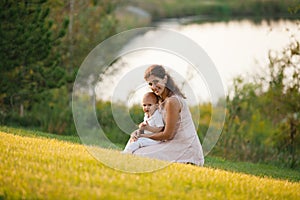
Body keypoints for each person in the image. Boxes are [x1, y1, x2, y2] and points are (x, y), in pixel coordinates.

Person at [131, 64, 204, 166]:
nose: (153, 87)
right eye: (150, 84)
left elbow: (167, 135)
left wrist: (143, 136)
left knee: (137, 154)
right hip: (170, 144)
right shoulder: (160, 101)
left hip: (184, 148)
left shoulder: (172, 101)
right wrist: (139, 132)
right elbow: (158, 127)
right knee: (133, 145)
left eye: (156, 82)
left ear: (165, 79)